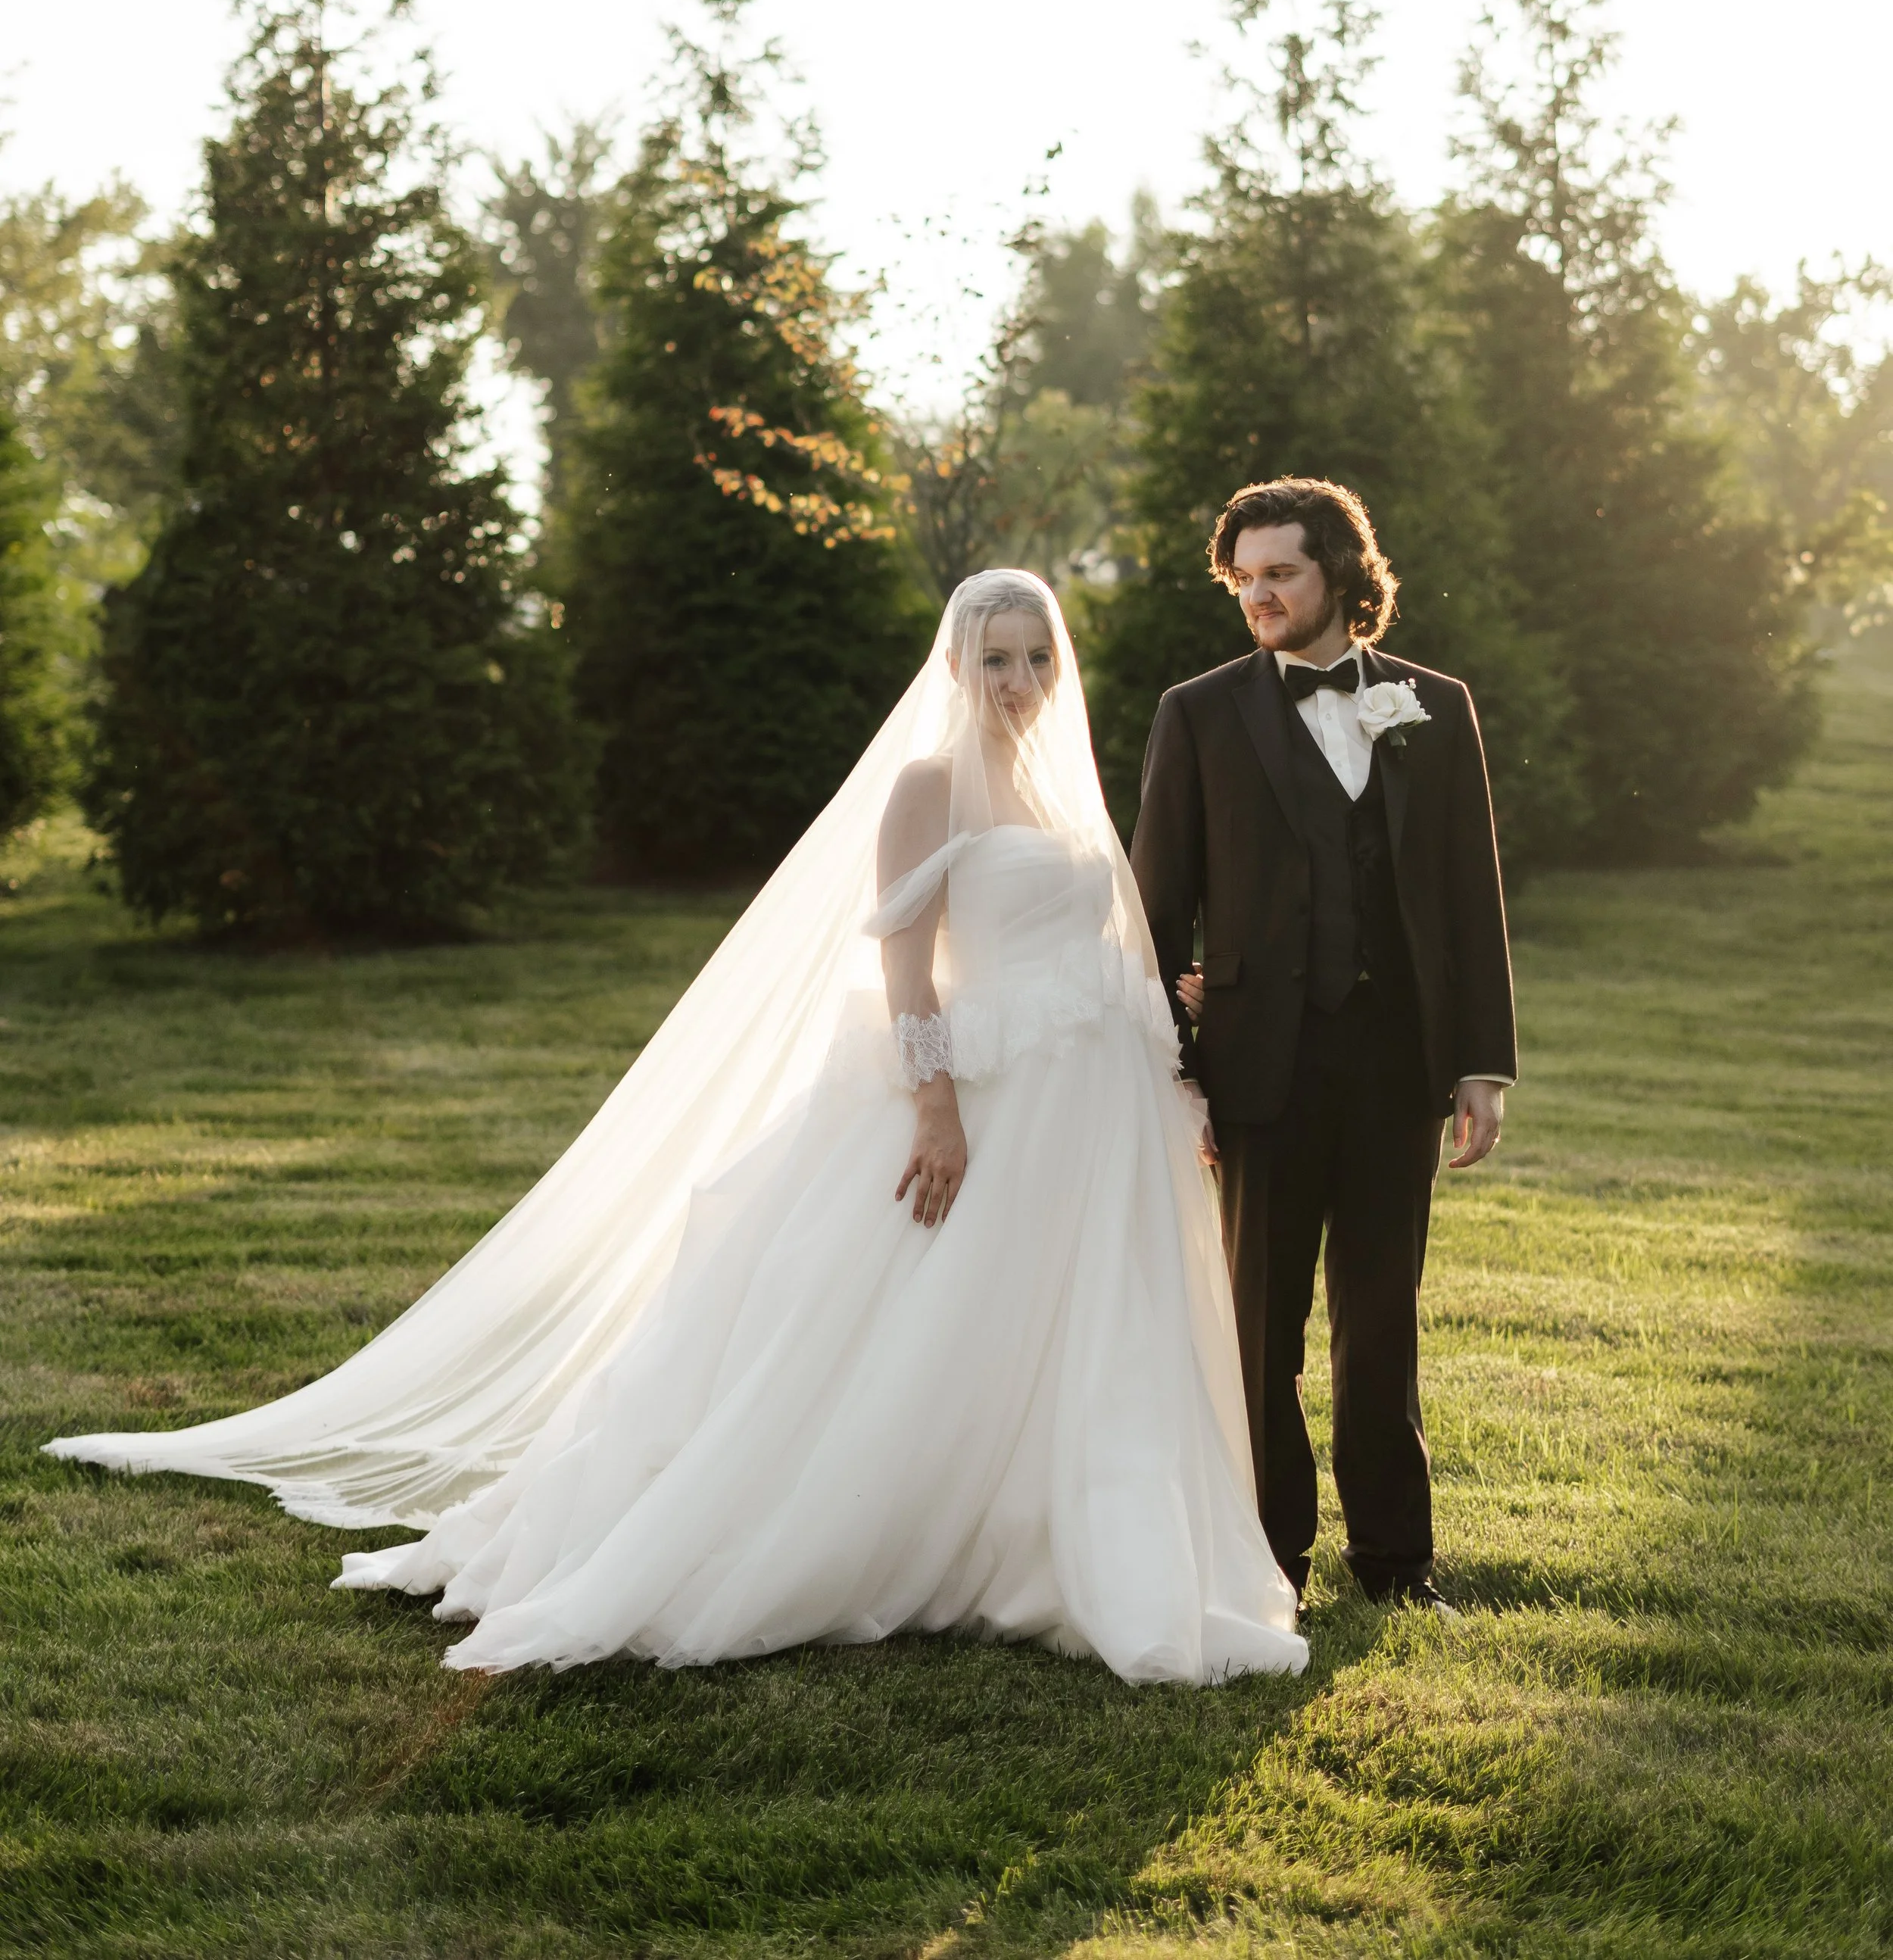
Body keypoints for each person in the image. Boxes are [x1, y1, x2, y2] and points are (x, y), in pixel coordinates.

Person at [49, 573, 1306, 1687]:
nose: (1021, 681)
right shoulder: (928, 786)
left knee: (1081, 1325)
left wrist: (1167, 1071)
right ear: (957, 665)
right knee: (927, 1323)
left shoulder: (1060, 785)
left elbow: (1097, 940)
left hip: (1087, 1107)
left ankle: (1059, 1536)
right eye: (996, 660)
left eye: (1037, 657)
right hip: (981, 1097)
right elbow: (909, 964)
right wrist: (936, 1106)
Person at [1132, 479, 1515, 1614]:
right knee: (1260, 1333)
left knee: (1382, 1321)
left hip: (1398, 1064)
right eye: (1243, 578)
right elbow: (1156, 909)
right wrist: (1172, 1062)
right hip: (1259, 1066)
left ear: (1343, 576)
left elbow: (1468, 895)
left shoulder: (1433, 704)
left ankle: (1398, 1568)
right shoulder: (1197, 713)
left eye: (1281, 573)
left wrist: (1481, 1064)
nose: (1258, 595)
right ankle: (1269, 1568)